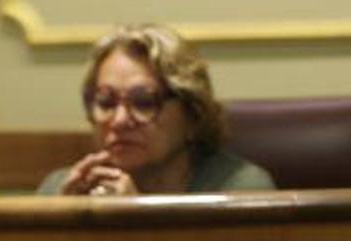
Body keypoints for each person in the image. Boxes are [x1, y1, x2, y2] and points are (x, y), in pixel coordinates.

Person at [38, 23, 274, 196]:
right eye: (106, 102)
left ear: (193, 116)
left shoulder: (239, 190)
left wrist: (138, 219)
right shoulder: (60, 189)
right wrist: (65, 220)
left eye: (144, 103)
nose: (119, 120)